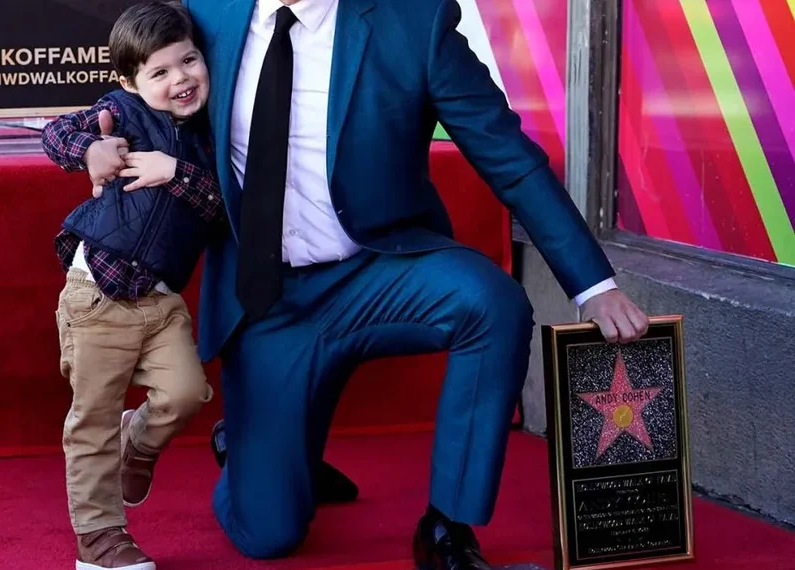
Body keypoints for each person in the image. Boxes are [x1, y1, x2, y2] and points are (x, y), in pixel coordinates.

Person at [90, 0, 650, 566]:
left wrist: (593, 284)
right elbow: (141, 88)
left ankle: (447, 529)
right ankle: (250, 446)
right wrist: (95, 144)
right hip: (269, 301)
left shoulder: (414, 21)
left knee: (493, 303)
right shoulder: (208, 14)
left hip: (376, 272)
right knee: (269, 534)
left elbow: (507, 154)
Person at [41, 2, 227, 568]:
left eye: (188, 61)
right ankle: (98, 541)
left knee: (186, 394)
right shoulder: (117, 112)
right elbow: (57, 134)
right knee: (92, 418)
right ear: (128, 81)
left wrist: (176, 172)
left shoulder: (213, 135)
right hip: (98, 291)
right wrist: (90, 149)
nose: (180, 80)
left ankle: (138, 441)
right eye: (160, 72)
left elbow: (222, 208)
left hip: (161, 299)